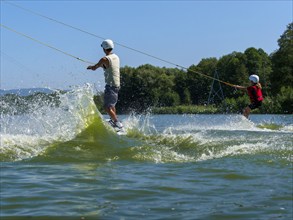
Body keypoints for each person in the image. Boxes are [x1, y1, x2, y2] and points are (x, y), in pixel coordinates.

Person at [87, 39, 123, 129]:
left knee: (107, 107)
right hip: (117, 85)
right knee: (112, 105)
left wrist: (91, 67)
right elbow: (109, 66)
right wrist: (101, 66)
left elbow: (95, 67)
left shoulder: (104, 59)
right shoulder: (116, 57)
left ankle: (117, 123)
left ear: (104, 48)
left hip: (110, 85)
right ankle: (113, 120)